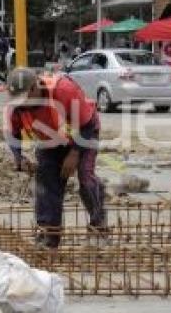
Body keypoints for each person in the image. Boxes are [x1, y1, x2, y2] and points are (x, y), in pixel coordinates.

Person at [6, 68, 105, 249]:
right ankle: (50, 233)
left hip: (84, 133)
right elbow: (13, 134)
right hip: (50, 140)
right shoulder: (17, 106)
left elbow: (87, 124)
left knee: (85, 176)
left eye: (25, 98)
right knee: (46, 179)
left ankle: (98, 223)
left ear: (36, 86)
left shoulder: (63, 91)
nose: (23, 105)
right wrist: (18, 157)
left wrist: (74, 154)